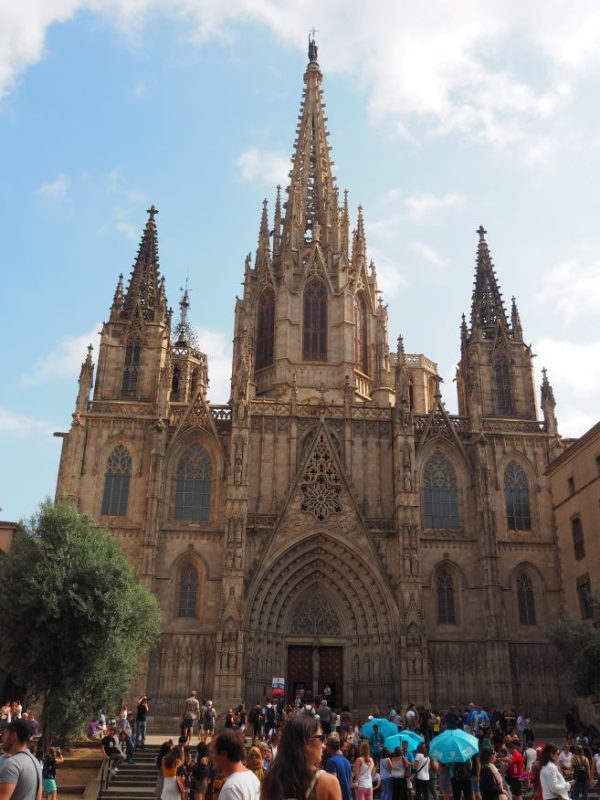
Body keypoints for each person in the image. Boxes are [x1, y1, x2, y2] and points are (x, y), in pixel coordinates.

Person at [261, 713, 341, 800]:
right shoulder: (327, 783)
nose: (324, 745)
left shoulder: (271, 782)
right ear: (306, 742)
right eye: (321, 738)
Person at [211, 729, 260, 800]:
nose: (211, 756)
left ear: (223, 755)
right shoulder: (253, 778)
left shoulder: (231, 789)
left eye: (212, 752)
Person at [0, 720, 42, 800]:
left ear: (13, 735)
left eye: (6, 733)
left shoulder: (12, 763)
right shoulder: (35, 762)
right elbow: (38, 797)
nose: (3, 737)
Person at [325, 735, 352, 800]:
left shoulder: (331, 762)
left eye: (327, 745)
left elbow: (332, 784)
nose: (325, 747)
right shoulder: (347, 762)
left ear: (330, 747)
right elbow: (350, 783)